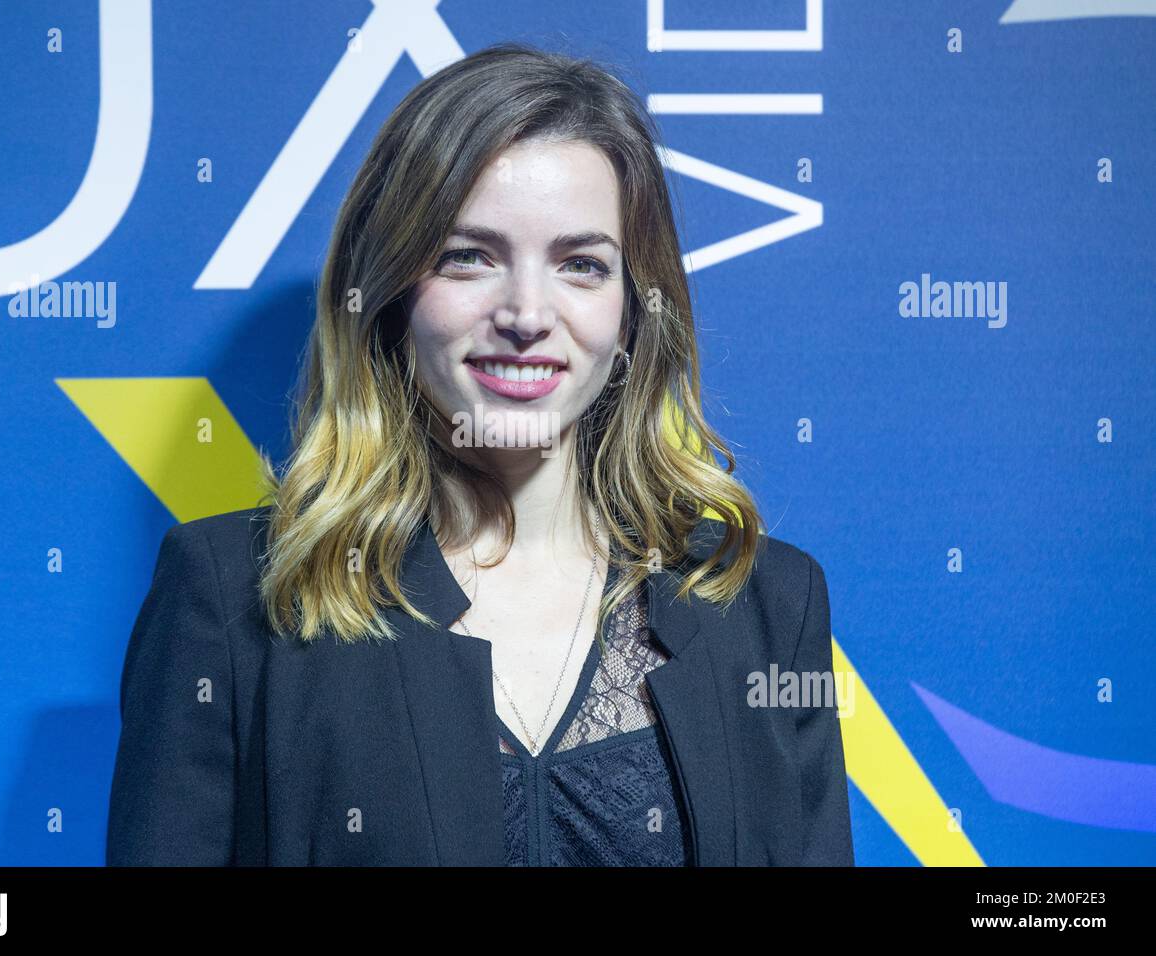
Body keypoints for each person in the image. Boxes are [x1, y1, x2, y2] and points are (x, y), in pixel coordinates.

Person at [106, 41, 854, 867]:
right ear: (390, 295)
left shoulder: (765, 603)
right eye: (469, 257)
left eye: (581, 264)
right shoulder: (236, 598)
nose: (527, 313)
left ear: (634, 313)